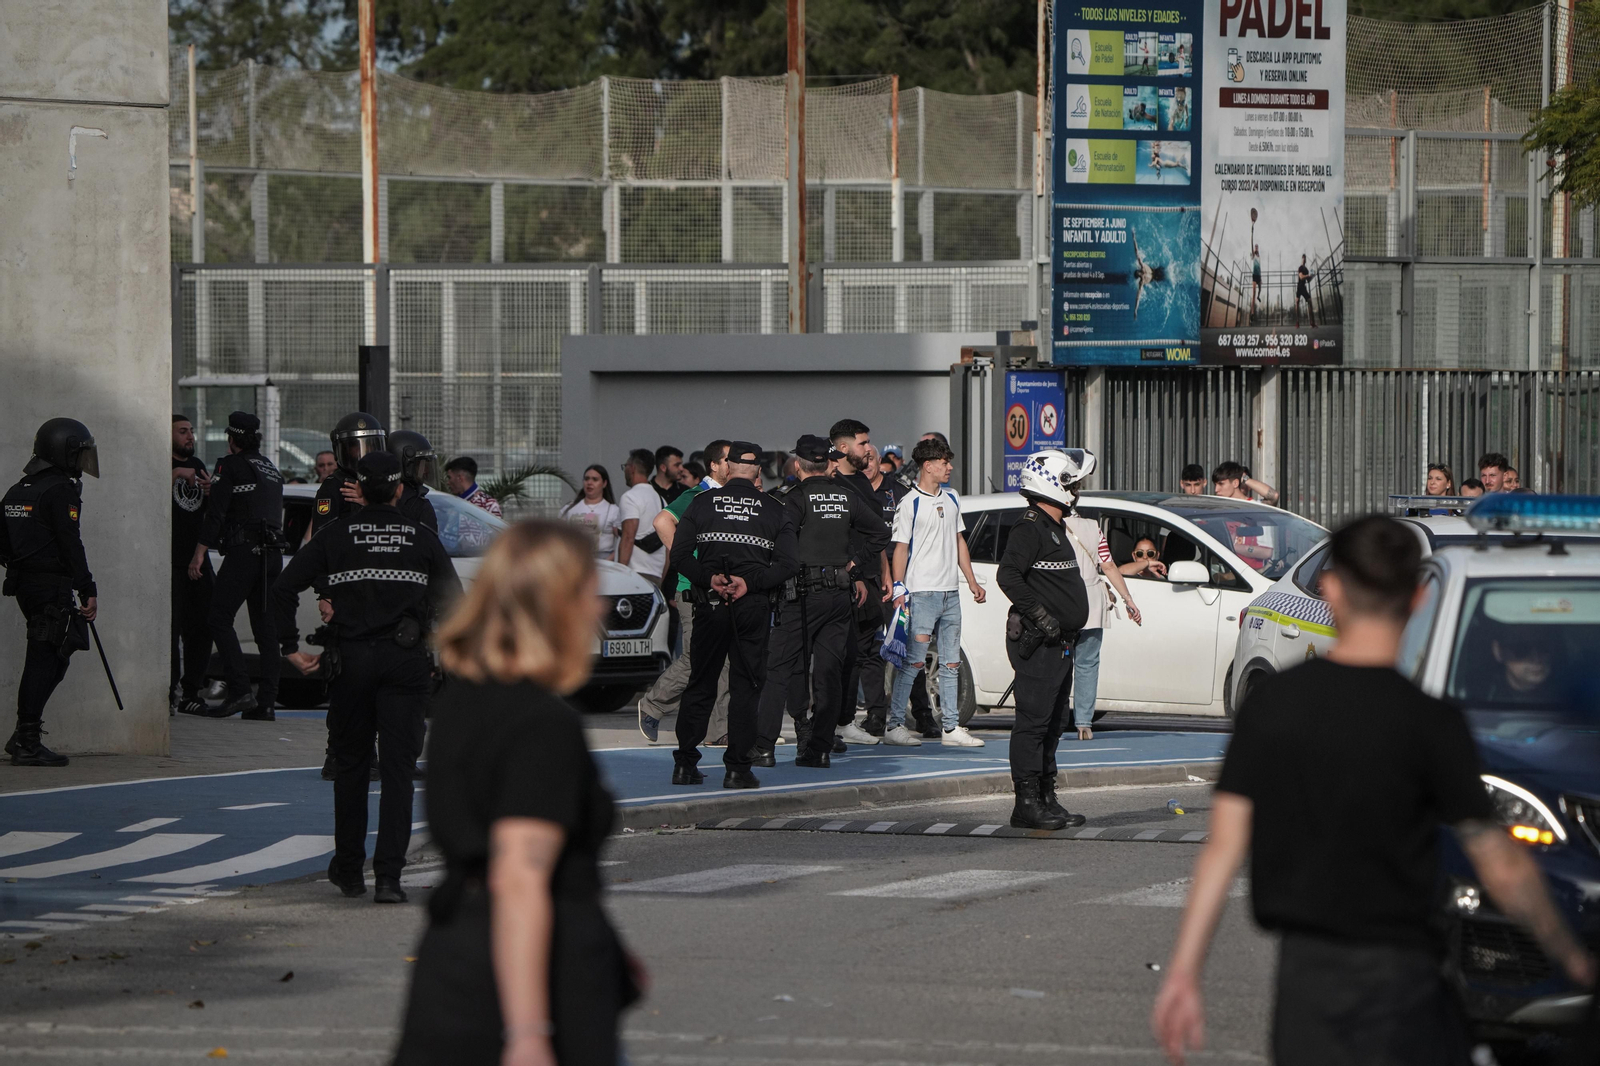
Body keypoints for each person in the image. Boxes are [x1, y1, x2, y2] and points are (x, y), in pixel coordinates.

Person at [1151, 514, 1596, 1066]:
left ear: (1332, 590)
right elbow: (1498, 862)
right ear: (1417, 599)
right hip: (1406, 980)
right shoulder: (1434, 723)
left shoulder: (1274, 704)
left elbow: (1222, 848)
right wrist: (1571, 956)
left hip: (1309, 980)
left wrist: (1184, 972)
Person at [394, 522, 640, 1066]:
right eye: (588, 591)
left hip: (457, 956)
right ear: (554, 605)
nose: (598, 608)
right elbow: (520, 876)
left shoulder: (464, 702)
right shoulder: (540, 722)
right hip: (533, 979)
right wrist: (528, 1032)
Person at [274, 451, 461, 904]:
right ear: (398, 489)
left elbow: (283, 587)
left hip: (350, 662)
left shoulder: (336, 534)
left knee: (352, 768)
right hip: (405, 663)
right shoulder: (421, 536)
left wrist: (290, 648)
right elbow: (456, 601)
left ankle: (349, 870)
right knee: (398, 773)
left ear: (358, 489)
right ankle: (390, 878)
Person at [753, 435, 889, 767]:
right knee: (829, 673)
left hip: (800, 593)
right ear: (828, 462)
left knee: (780, 669)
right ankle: (819, 748)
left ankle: (764, 747)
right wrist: (854, 564)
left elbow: (775, 541)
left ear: (797, 465)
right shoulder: (846, 496)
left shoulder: (792, 498)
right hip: (839, 594)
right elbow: (881, 532)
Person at [668, 442, 797, 789]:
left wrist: (709, 578)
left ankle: (684, 765)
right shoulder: (774, 509)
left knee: (700, 684)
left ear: (728, 467)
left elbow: (679, 555)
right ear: (758, 471)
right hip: (752, 606)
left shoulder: (701, 502)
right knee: (746, 687)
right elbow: (788, 564)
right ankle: (738, 769)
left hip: (709, 603)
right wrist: (748, 582)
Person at [996, 450, 1093, 829]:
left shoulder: (1054, 526)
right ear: (1052, 484)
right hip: (1039, 643)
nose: (1076, 491)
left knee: (1054, 723)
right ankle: (1026, 804)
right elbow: (1007, 575)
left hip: (1060, 643)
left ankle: (1046, 796)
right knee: (1033, 724)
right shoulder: (1030, 527)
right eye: (1072, 484)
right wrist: (1040, 616)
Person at [0, 418, 100, 767]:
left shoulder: (18, 489)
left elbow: (2, 543)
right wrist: (87, 588)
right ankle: (26, 741)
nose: (83, 462)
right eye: (79, 454)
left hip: (26, 587)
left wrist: (24, 564)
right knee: (44, 661)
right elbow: (71, 544)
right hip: (49, 588)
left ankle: (23, 735)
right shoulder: (60, 490)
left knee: (54, 657)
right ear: (64, 451)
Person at [885, 436, 987, 748]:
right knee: (914, 662)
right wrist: (899, 587)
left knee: (951, 662)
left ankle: (951, 727)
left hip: (950, 594)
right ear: (928, 466)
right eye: (944, 463)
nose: (949, 468)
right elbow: (900, 548)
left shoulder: (952, 497)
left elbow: (959, 541)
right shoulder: (909, 503)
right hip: (921, 595)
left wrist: (971, 581)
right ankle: (894, 725)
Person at [831, 420, 929, 742]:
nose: (869, 457)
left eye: (871, 452)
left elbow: (882, 537)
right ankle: (860, 716)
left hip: (881, 578)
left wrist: (888, 575)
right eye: (864, 448)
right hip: (848, 580)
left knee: (896, 646)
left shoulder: (889, 489)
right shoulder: (834, 483)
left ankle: (917, 714)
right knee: (855, 652)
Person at [188, 412, 285, 721]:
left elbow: (217, 514)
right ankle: (266, 703)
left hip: (245, 552)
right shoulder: (269, 467)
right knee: (266, 630)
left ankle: (240, 690)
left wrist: (199, 553)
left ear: (232, 439)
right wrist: (216, 488)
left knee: (218, 618)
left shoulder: (229, 464)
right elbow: (247, 500)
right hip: (272, 554)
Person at [635, 442, 733, 746]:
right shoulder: (697, 495)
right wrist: (687, 560)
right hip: (694, 590)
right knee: (696, 657)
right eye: (729, 460)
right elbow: (662, 521)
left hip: (721, 590)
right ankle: (652, 705)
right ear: (713, 465)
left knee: (725, 661)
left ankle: (718, 732)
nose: (734, 465)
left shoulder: (728, 497)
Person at [1060, 457, 1144, 742]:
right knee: (1087, 663)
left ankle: (1057, 717)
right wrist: (1128, 599)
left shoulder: (1051, 527)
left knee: (1059, 664)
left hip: (1061, 602)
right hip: (1092, 604)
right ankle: (1084, 723)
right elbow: (1108, 565)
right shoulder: (1093, 527)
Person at [170, 415, 215, 718]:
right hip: (171, 562)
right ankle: (169, 692)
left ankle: (192, 692)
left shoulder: (198, 464)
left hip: (197, 560)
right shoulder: (160, 465)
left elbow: (209, 513)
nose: (190, 436)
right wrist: (174, 473)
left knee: (203, 626)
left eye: (191, 431)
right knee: (170, 630)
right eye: (183, 431)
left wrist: (211, 491)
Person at [313, 412, 386, 535]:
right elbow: (323, 536)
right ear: (343, 450)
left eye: (370, 446)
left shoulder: (386, 482)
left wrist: (370, 504)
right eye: (355, 446)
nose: (365, 452)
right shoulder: (336, 485)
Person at [616, 449, 666, 585]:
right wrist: (661, 577)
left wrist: (620, 575)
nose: (625, 470)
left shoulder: (630, 497)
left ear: (632, 468)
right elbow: (668, 545)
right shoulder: (661, 501)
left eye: (625, 466)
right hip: (656, 574)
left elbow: (628, 537)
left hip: (633, 573)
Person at [559, 464, 622, 559]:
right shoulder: (569, 508)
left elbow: (623, 540)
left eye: (595, 479)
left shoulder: (613, 510)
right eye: (586, 479)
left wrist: (609, 560)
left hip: (602, 560)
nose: (589, 482)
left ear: (604, 483)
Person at [387, 430, 439, 532]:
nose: (426, 471)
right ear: (407, 465)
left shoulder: (371, 501)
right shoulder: (419, 506)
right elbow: (429, 541)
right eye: (422, 465)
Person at [1210, 460, 1279, 506]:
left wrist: (1245, 478)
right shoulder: (1216, 508)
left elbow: (1274, 496)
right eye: (1215, 484)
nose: (1216, 490)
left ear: (1235, 483)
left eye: (1221, 484)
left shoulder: (1253, 505)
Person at [1294, 254, 1315, 327]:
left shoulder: (1306, 270)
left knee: (1309, 301)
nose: (1304, 259)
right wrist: (1307, 276)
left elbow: (1308, 280)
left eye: (1305, 258)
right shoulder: (1300, 268)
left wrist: (1311, 276)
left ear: (1305, 260)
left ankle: (1312, 322)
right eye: (1303, 258)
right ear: (1301, 259)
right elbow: (1301, 277)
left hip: (1304, 287)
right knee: (1297, 302)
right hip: (1299, 287)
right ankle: (1297, 322)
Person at [1250, 244, 1262, 321]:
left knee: (1260, 289)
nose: (1256, 248)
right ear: (1255, 248)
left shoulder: (1259, 257)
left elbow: (1260, 267)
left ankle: (1258, 296)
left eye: (1257, 247)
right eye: (1255, 247)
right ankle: (1252, 313)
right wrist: (1253, 251)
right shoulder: (1253, 255)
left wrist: (1261, 277)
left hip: (1259, 276)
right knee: (1253, 293)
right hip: (1254, 275)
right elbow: (1252, 254)